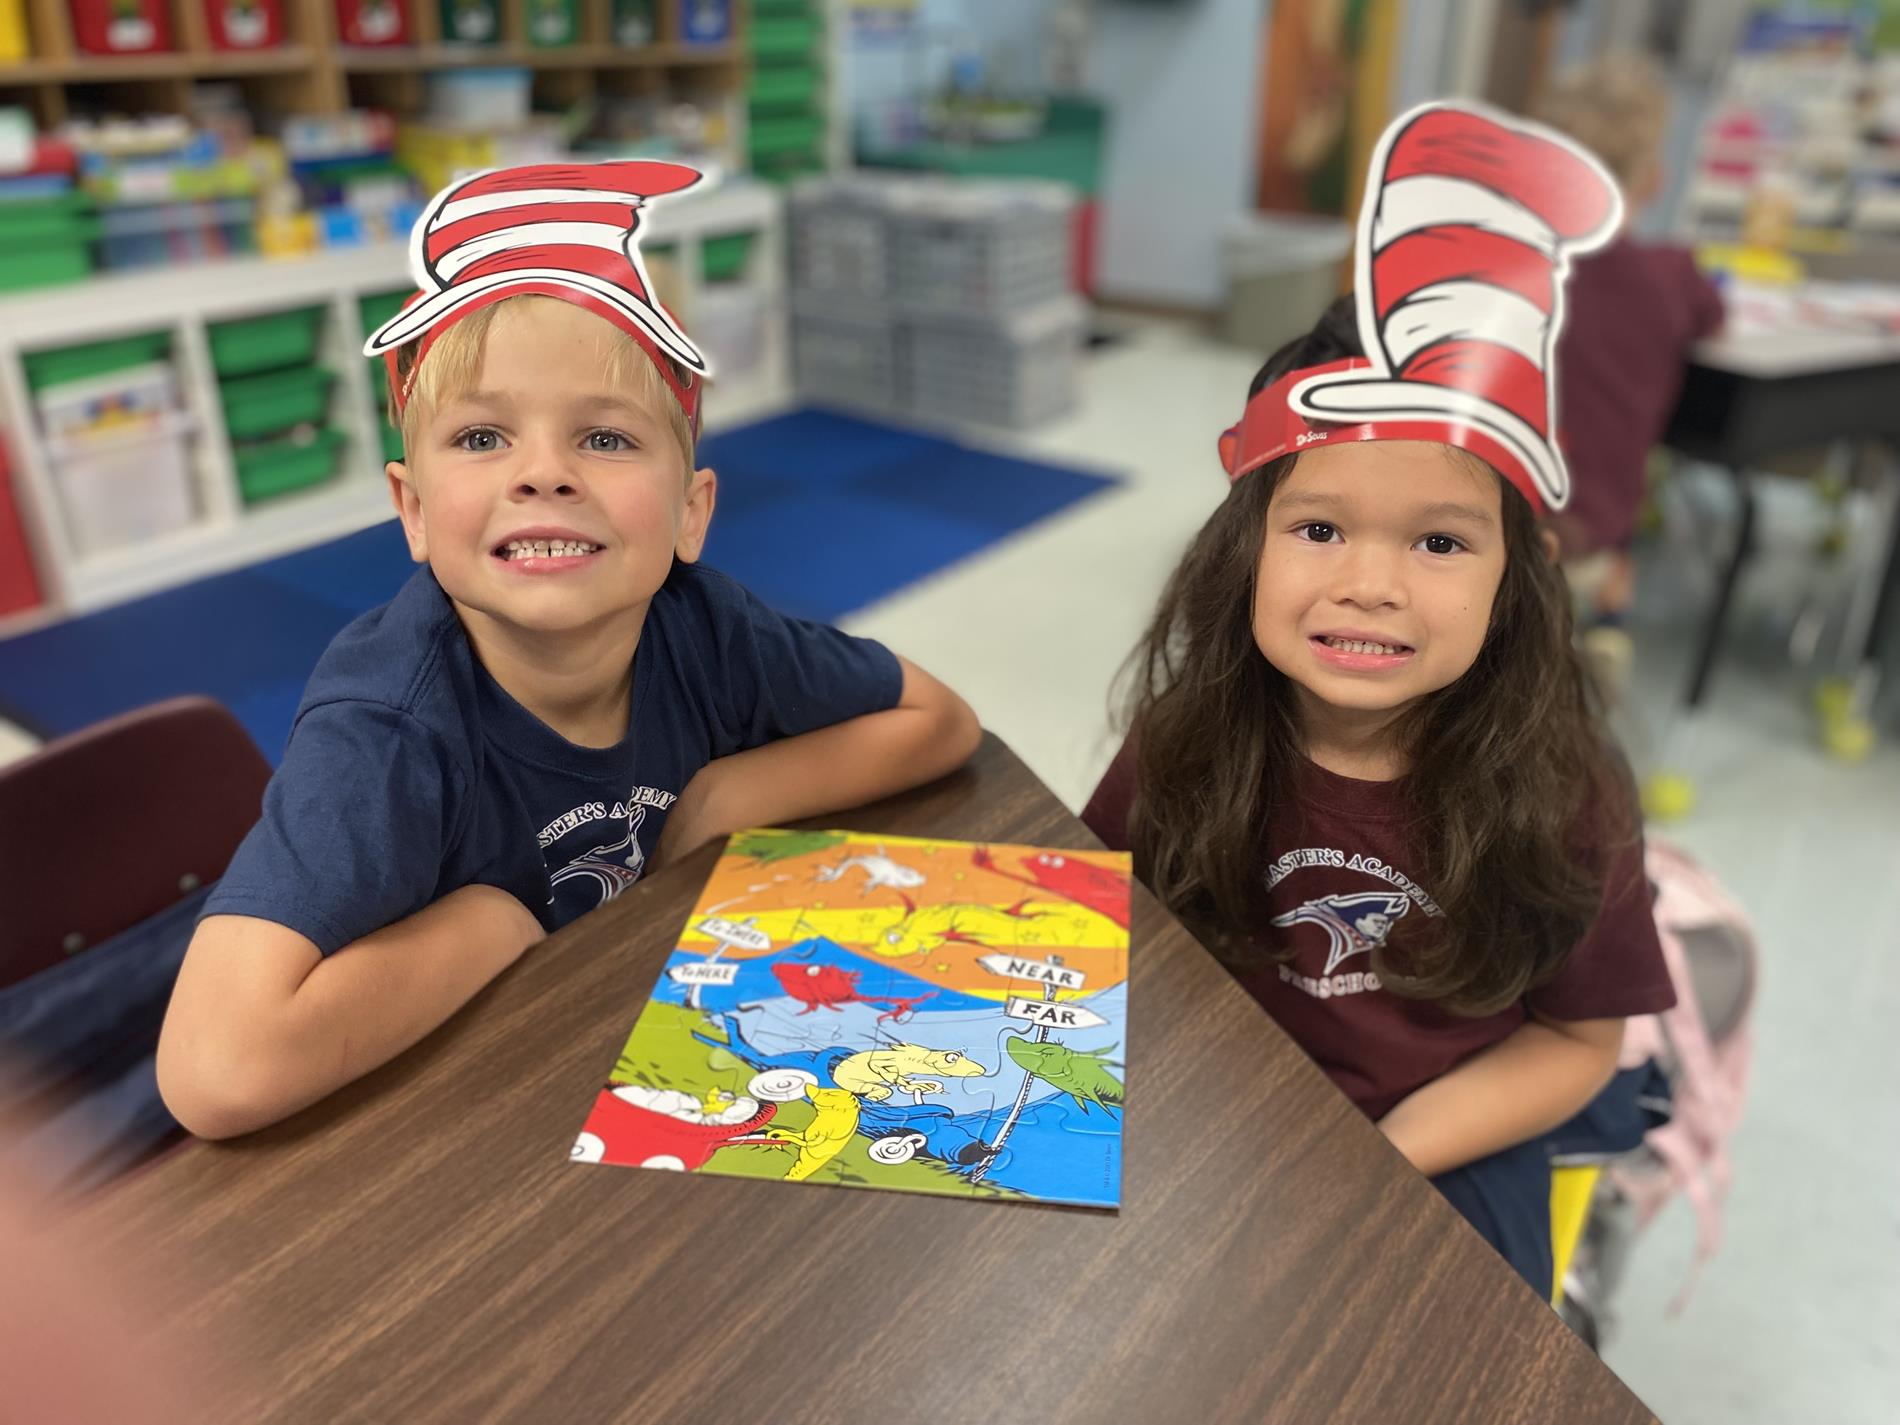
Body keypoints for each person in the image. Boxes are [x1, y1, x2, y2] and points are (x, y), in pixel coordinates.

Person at [158, 162, 981, 1140]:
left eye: (603, 438)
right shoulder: (385, 730)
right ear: (412, 512)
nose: (543, 473)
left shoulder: (703, 624)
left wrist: (730, 797)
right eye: (479, 437)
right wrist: (493, 923)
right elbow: (216, 1075)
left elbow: (940, 721)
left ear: (689, 512)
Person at [1083, 105, 1677, 1298]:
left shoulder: (1567, 796)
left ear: (1520, 580)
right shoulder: (1186, 736)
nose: (1368, 584)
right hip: (1216, 1098)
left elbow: (1577, 1041)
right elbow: (1108, 930)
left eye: (1441, 543)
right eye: (1316, 527)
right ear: (1240, 550)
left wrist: (1377, 1159)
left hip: (1437, 1137)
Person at [1537, 54, 1726, 667]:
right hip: (1594, 533)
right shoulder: (1672, 277)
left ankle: (1557, 640)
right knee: (1609, 524)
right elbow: (1715, 315)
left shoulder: (1510, 272)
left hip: (1492, 523)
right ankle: (1601, 622)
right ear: (1653, 181)